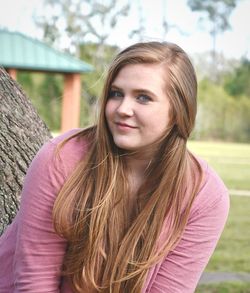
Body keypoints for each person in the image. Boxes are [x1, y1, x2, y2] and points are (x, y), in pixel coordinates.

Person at [0, 41, 229, 293]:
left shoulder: (204, 195)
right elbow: (35, 283)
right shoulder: (60, 159)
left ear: (178, 110)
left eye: (143, 97)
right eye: (116, 93)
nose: (122, 109)